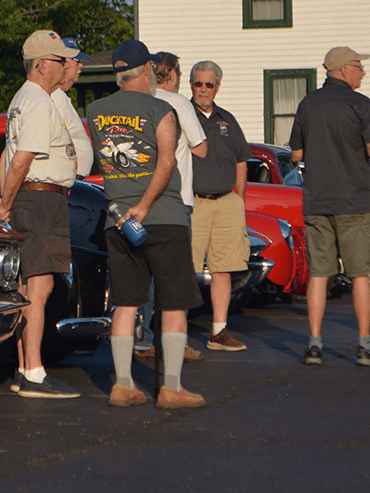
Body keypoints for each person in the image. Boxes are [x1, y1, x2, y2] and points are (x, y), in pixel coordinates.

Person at [89, 39, 205, 409]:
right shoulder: (161, 109)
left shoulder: (94, 110)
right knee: (173, 302)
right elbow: (167, 162)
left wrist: (130, 206)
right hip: (164, 216)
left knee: (125, 302)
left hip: (118, 219)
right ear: (145, 72)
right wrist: (144, 205)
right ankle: (171, 387)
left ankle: (123, 384)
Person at [0, 29, 81, 398]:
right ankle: (34, 374)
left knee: (28, 288)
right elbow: (23, 158)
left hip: (30, 198)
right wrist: (7, 203)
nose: (66, 66)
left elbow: (5, 158)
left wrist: (6, 199)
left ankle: (25, 367)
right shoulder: (40, 101)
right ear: (42, 65)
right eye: (59, 60)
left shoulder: (21, 99)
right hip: (41, 200)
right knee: (39, 288)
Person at [289, 46, 370, 367]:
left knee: (320, 274)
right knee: (360, 273)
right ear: (344, 69)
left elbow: (295, 155)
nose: (363, 72)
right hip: (353, 200)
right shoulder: (360, 103)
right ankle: (364, 346)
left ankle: (315, 346)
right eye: (359, 66)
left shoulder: (307, 103)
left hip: (317, 201)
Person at [132, 52, 208, 363]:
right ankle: (174, 341)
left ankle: (141, 338)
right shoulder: (178, 104)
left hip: (141, 197)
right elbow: (200, 148)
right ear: (174, 74)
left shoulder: (140, 102)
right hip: (176, 199)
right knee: (175, 275)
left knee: (144, 273)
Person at [188, 60, 251, 352]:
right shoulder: (181, 115)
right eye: (198, 83)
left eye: (209, 84)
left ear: (217, 87)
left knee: (224, 269)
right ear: (190, 84)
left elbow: (241, 159)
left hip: (226, 202)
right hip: (194, 203)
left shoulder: (227, 119)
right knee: (184, 269)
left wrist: (239, 198)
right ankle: (173, 335)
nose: (203, 89)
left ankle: (219, 331)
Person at [52, 38, 94, 179]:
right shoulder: (54, 97)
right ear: (63, 63)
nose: (81, 65)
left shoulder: (59, 96)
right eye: (76, 60)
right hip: (66, 179)